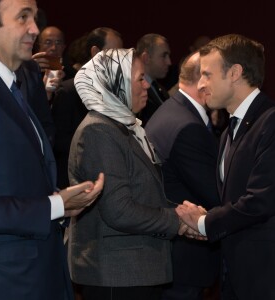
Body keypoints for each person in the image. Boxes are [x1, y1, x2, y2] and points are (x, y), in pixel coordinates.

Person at [0, 1, 104, 299]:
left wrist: (61, 201)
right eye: (23, 17)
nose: (34, 28)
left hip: (35, 271)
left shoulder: (11, 82)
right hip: (8, 281)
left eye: (34, 17)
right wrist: (57, 206)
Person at [67, 48, 190, 300]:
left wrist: (184, 213)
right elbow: (118, 210)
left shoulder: (124, 127)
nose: (146, 85)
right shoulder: (99, 131)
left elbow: (144, 193)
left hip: (133, 270)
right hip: (117, 274)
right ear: (116, 83)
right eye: (139, 79)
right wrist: (177, 221)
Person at [175, 34, 275, 300]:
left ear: (235, 73)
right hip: (235, 273)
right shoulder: (229, 130)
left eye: (207, 74)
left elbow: (261, 200)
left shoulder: (270, 122)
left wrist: (206, 222)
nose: (201, 83)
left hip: (264, 277)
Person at [145, 51, 220, 300]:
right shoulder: (187, 126)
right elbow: (215, 193)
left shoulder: (173, 109)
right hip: (183, 257)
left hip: (170, 254)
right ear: (203, 79)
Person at [52, 27, 123, 189]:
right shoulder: (69, 91)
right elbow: (58, 141)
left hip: (108, 180)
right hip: (75, 184)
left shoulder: (117, 91)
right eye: (115, 53)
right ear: (95, 52)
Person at [136, 33, 171, 126]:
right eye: (164, 56)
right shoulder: (135, 92)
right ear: (146, 58)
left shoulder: (161, 89)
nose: (169, 62)